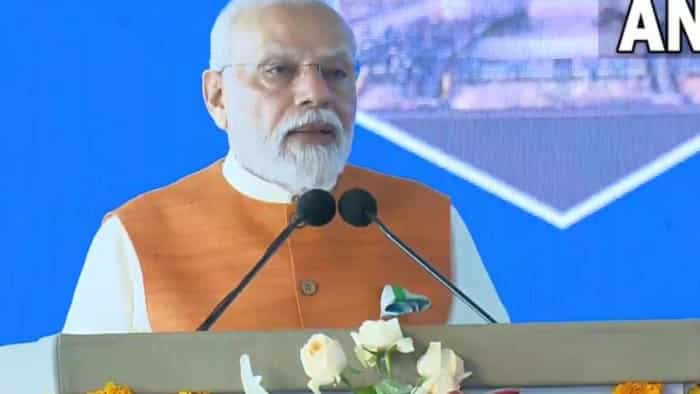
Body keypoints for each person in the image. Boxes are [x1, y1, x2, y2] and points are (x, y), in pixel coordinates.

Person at [62, 0, 509, 334]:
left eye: (336, 72)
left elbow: (512, 375)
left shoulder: (427, 220)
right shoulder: (137, 236)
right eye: (278, 71)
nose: (315, 93)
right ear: (217, 96)